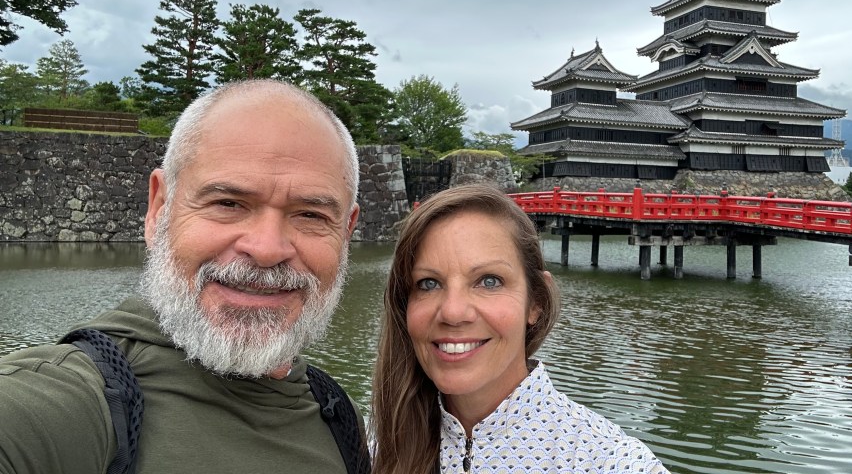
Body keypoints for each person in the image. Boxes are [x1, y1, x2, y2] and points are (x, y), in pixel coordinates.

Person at [0, 80, 367, 473]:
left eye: (311, 215)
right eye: (228, 203)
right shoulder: (65, 405)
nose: (266, 249)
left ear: (346, 231)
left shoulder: (337, 416)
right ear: (159, 208)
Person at [371, 182, 669, 473]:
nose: (452, 311)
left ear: (535, 301)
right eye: (428, 283)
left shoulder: (611, 461)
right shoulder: (378, 450)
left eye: (489, 281)